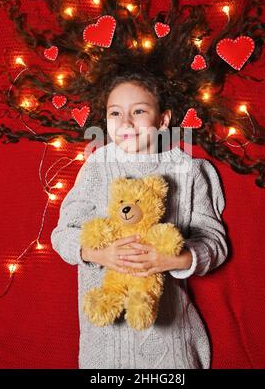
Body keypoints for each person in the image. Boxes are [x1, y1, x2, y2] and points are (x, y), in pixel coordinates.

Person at [50, 74, 228, 369]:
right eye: (115, 113)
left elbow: (215, 243)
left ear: (163, 120)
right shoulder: (96, 167)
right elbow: (62, 235)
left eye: (139, 111)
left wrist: (175, 258)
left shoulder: (189, 171)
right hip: (105, 343)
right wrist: (100, 254)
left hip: (170, 342)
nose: (126, 122)